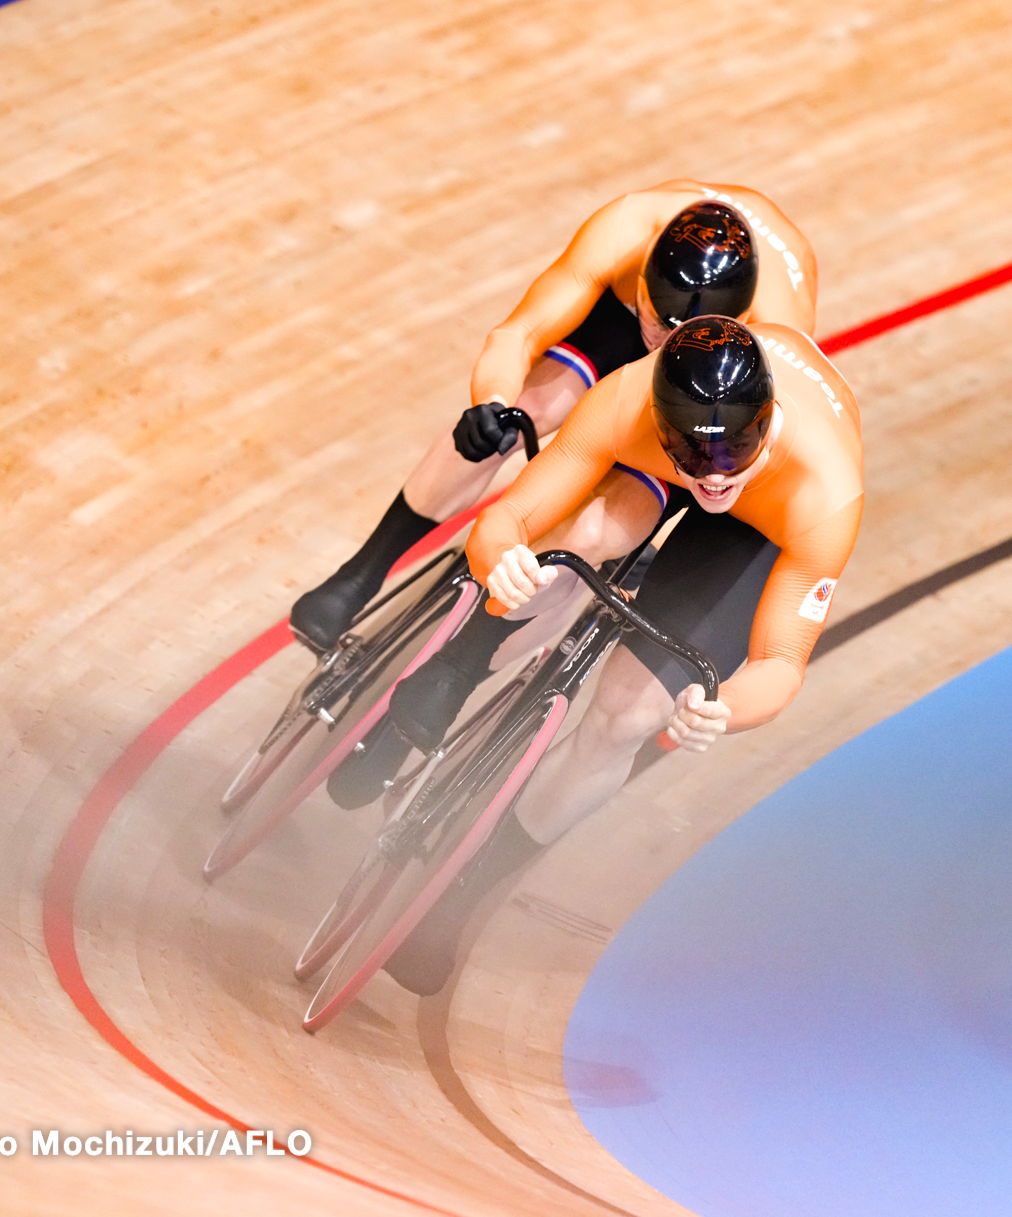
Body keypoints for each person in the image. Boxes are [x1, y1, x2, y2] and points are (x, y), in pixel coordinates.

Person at [380, 314, 862, 995]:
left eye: (734, 452)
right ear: (664, 426)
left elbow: (781, 661)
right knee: (573, 539)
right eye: (695, 455)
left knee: (623, 719)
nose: (715, 476)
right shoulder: (631, 401)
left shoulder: (824, 492)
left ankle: (468, 890)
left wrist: (723, 707)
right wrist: (505, 560)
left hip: (763, 527)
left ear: (767, 421)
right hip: (649, 460)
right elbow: (509, 517)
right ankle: (456, 667)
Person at [289, 182, 818, 653]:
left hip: (704, 381)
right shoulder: (625, 230)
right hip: (619, 327)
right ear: (643, 281)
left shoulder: (776, 332)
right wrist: (490, 402)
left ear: (741, 320)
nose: (658, 340)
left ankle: (480, 652)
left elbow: (758, 462)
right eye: (655, 322)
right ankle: (359, 574)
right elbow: (517, 334)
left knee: (603, 524)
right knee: (527, 408)